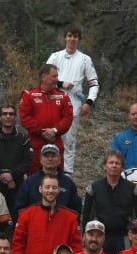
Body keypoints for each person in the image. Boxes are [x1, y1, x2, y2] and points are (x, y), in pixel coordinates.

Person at [45, 24, 100, 175]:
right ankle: (49, 174)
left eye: (75, 36)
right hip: (52, 104)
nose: (72, 39)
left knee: (69, 143)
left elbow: (94, 83)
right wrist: (62, 83)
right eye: (69, 35)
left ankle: (67, 177)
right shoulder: (55, 57)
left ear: (79, 39)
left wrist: (89, 102)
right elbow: (44, 77)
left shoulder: (84, 59)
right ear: (65, 37)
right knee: (50, 139)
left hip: (73, 106)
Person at [12, 174, 82, 254]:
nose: (50, 191)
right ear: (40, 189)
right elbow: (17, 244)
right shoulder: (26, 215)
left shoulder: (70, 218)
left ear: (59, 190)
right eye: (47, 187)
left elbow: (76, 248)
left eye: (54, 188)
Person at [19, 64, 74, 174]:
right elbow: (25, 117)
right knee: (35, 177)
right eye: (54, 76)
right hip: (35, 143)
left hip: (56, 141)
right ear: (44, 77)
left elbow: (68, 117)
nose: (57, 79)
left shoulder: (63, 96)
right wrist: (42, 132)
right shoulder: (29, 95)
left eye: (57, 76)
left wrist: (54, 131)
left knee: (56, 177)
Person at [81, 151, 136, 254]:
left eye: (117, 163)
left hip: (123, 238)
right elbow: (86, 217)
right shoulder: (93, 188)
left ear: (122, 167)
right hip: (99, 237)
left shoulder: (132, 189)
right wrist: (85, 236)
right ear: (104, 166)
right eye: (111, 163)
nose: (114, 165)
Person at [0, 104, 34, 212]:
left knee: (16, 219)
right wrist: (5, 177)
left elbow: (27, 162)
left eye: (11, 114)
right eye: (5, 114)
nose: (8, 116)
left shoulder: (24, 139)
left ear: (15, 117)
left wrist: (12, 175)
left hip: (17, 185)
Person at [14, 143, 82, 214]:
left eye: (53, 156)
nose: (50, 159)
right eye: (46, 156)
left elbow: (76, 210)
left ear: (59, 160)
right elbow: (20, 209)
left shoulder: (68, 183)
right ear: (40, 160)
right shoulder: (29, 182)